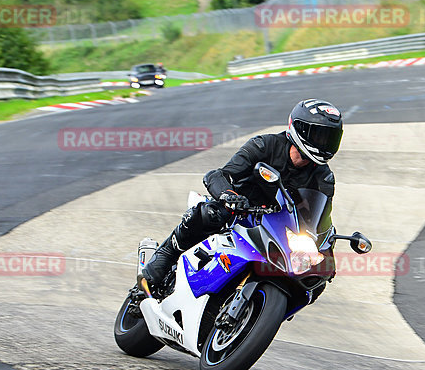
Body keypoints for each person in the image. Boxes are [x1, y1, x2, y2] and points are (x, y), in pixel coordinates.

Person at [141, 98, 344, 287]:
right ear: (299, 129)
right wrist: (229, 196)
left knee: (316, 277)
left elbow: (321, 220)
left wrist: (327, 251)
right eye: (319, 136)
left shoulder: (324, 177)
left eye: (330, 138)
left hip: (276, 230)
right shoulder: (265, 145)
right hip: (239, 213)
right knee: (212, 213)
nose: (325, 144)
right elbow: (218, 175)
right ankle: (167, 253)